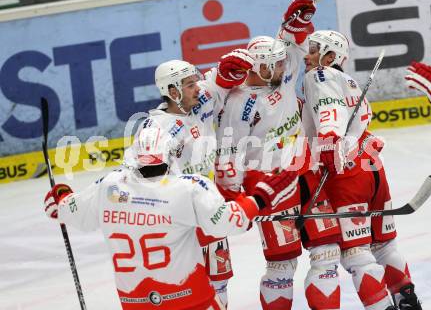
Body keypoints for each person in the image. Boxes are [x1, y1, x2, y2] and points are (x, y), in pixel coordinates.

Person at [43, 121, 299, 310]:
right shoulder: (188, 188)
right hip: (191, 300)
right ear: (168, 155)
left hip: (136, 304)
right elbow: (229, 222)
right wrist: (261, 196)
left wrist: (62, 195)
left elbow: (63, 210)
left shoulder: (108, 187)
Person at [215, 0, 342, 310]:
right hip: (270, 187)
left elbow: (289, 41)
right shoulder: (237, 105)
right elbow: (228, 155)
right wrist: (241, 196)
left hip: (306, 175)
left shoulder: (280, 70)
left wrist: (292, 26)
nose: (287, 66)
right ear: (262, 66)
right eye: (279, 63)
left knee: (327, 253)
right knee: (282, 267)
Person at [301, 29, 422, 310]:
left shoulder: (320, 74)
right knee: (384, 245)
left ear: (330, 56)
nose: (308, 56)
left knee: (357, 253)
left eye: (314, 49)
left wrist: (330, 143)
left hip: (346, 171)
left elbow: (330, 112)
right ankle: (407, 301)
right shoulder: (349, 80)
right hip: (373, 169)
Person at [123, 53, 254, 307]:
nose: (198, 88)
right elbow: (144, 180)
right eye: (190, 84)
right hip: (182, 225)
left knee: (220, 283)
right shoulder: (155, 129)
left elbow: (218, 82)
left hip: (210, 212)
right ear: (173, 91)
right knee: (189, 293)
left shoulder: (199, 102)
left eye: (196, 81)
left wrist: (228, 71)